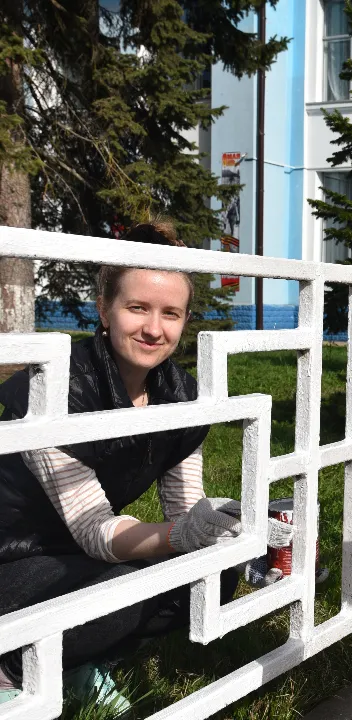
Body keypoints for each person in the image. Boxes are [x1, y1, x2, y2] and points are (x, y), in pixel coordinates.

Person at [0, 223, 291, 712]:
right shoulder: (53, 390)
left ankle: (76, 658)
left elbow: (183, 510)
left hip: (71, 553)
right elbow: (96, 531)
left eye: (170, 313)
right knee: (120, 592)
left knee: (209, 576)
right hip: (14, 558)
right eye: (137, 308)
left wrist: (232, 540)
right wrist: (183, 537)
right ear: (104, 309)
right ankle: (12, 668)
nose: (154, 329)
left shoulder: (180, 393)